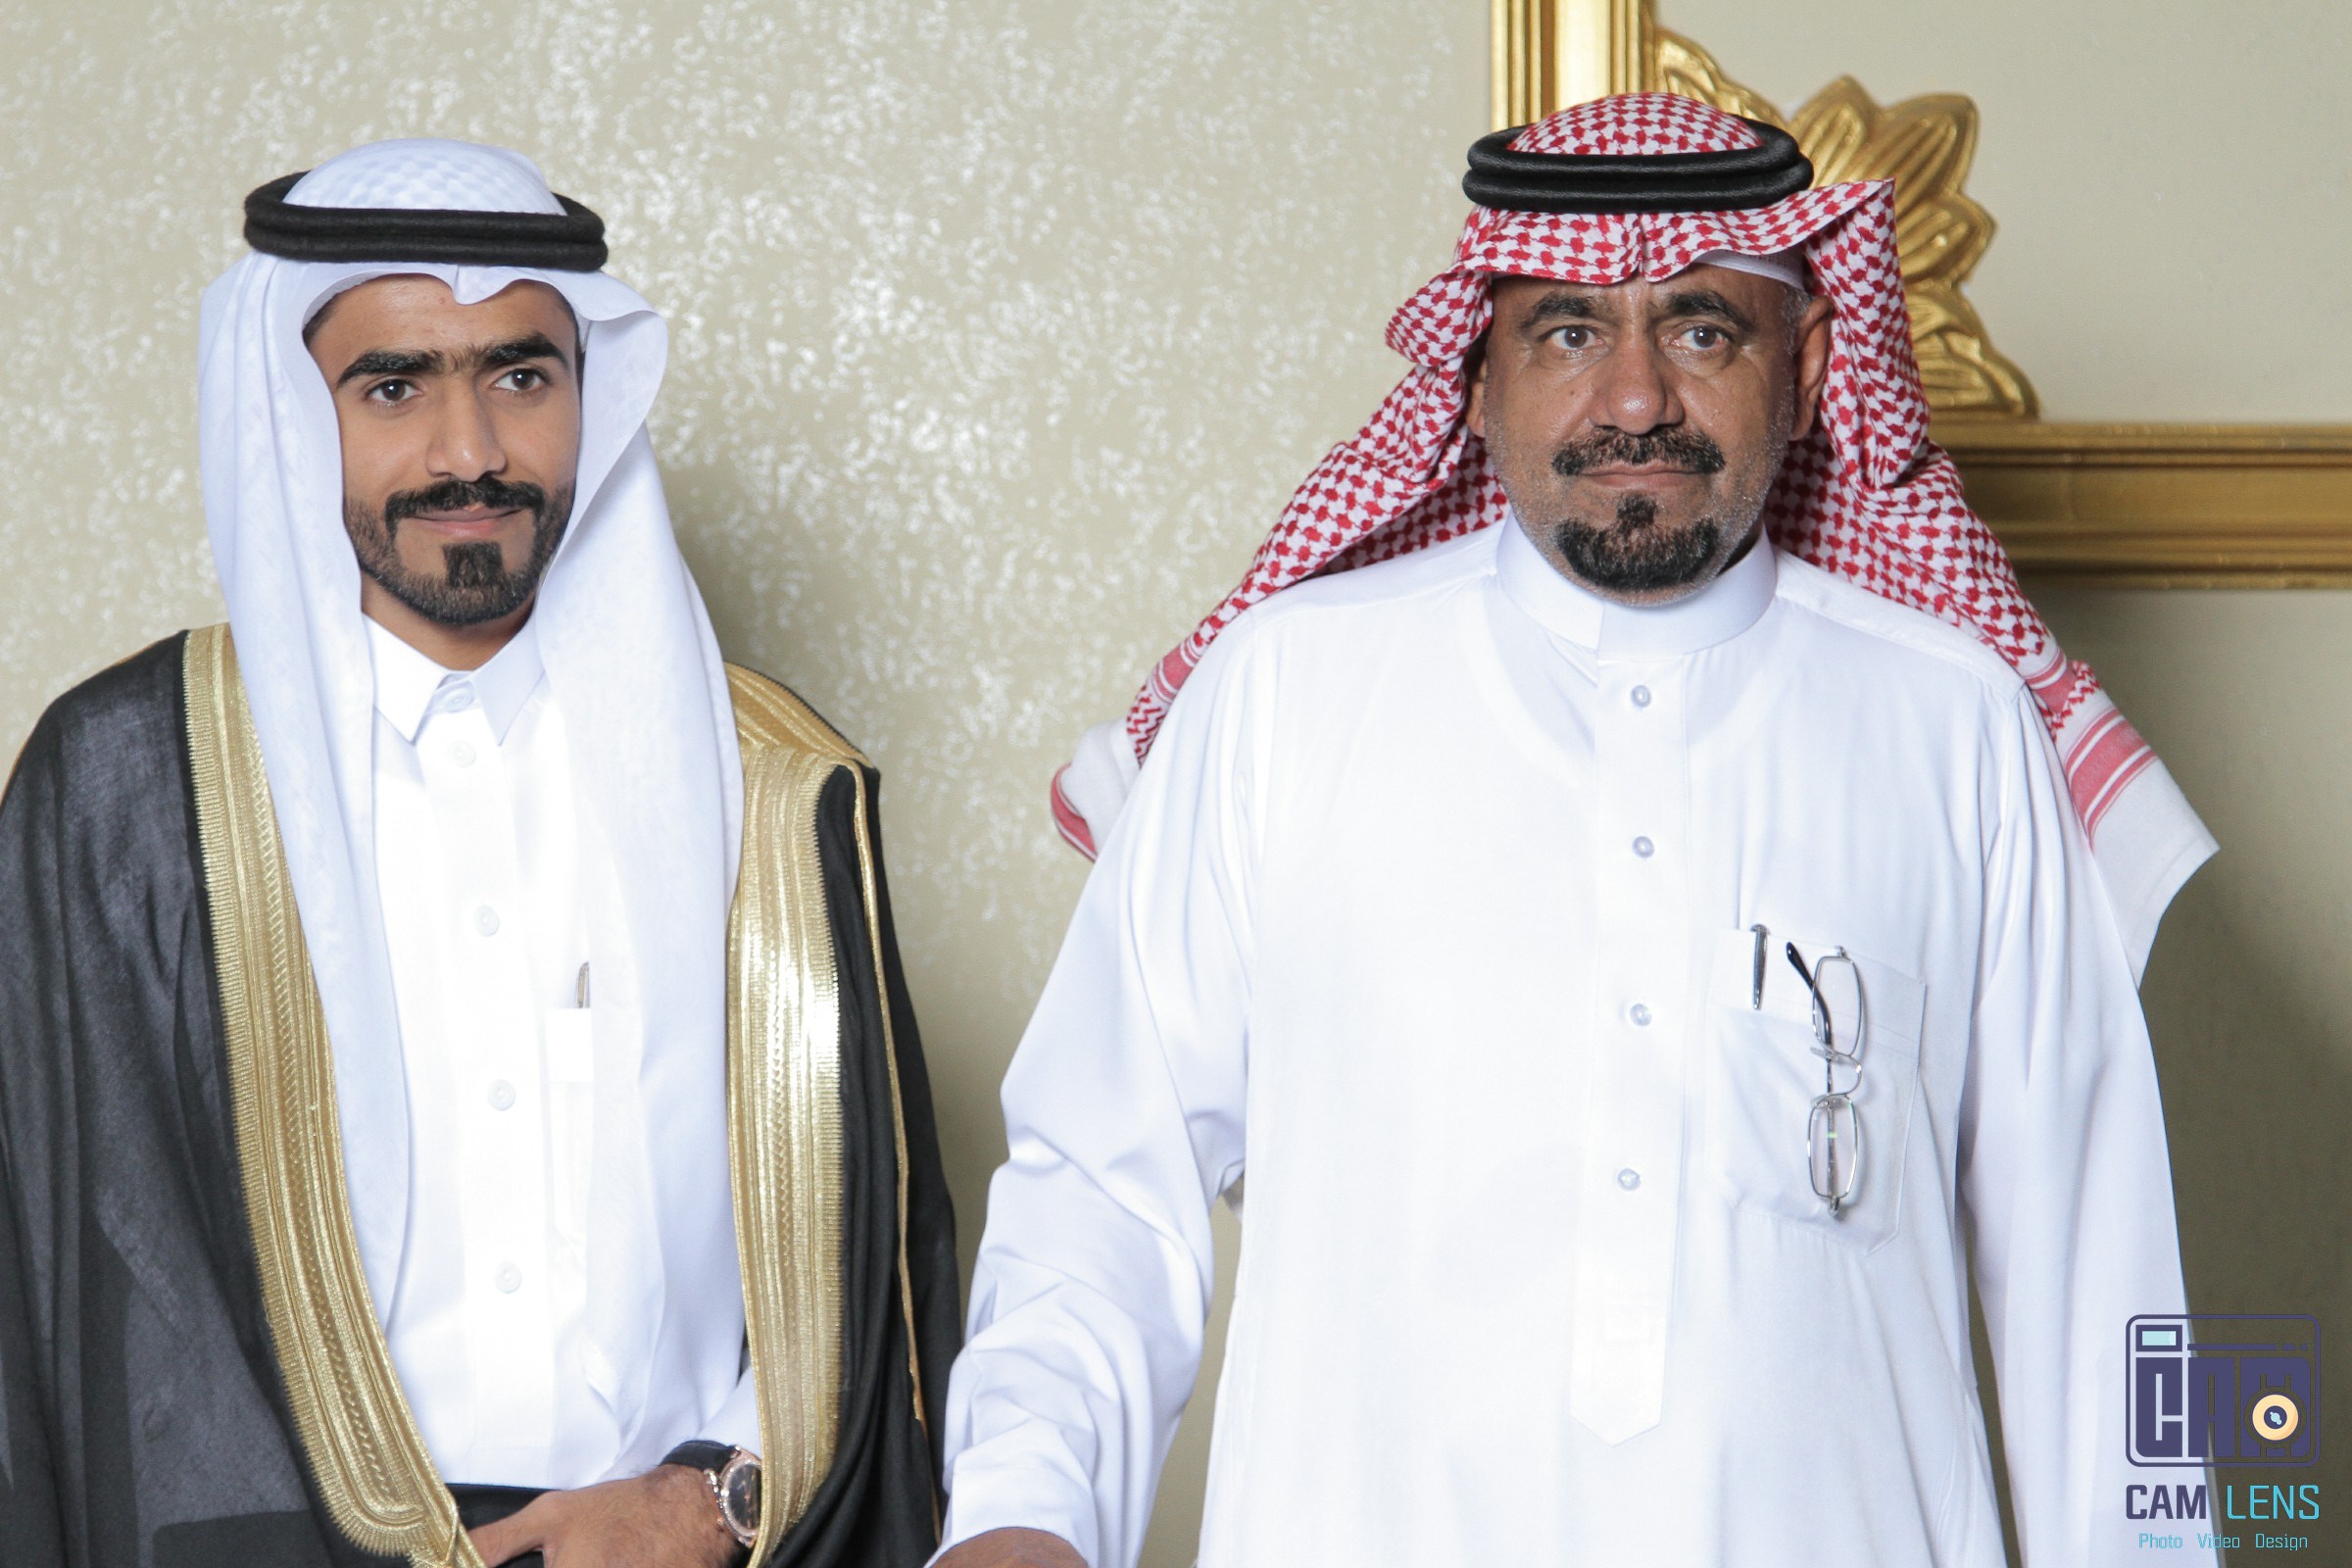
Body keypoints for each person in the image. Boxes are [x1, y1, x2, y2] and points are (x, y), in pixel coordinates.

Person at [938, 96, 2217, 1567]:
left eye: (1702, 331)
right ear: (1478, 376)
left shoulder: (1960, 726)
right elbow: (1102, 1187)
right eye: (1567, 331)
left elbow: (2107, 1277)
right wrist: (1021, 1513)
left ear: (1811, 367)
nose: (1634, 399)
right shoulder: (1285, 694)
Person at [0, 139, 957, 1568]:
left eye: (521, 376)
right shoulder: (127, 788)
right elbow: (57, 1286)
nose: (470, 453)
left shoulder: (770, 783)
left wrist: (716, 1498)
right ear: (292, 414)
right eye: (394, 387)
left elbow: (872, 1268)